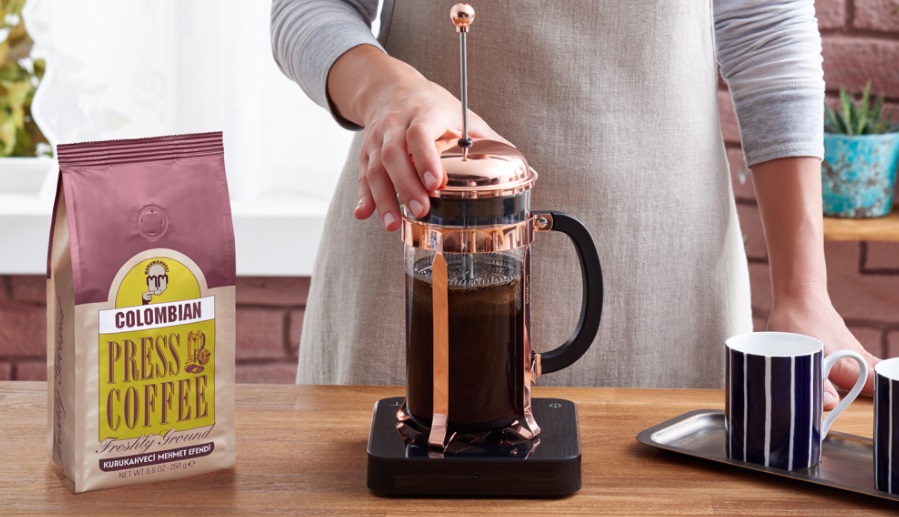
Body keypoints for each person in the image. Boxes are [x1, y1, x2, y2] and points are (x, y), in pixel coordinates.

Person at [270, 0, 880, 408]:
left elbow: (766, 27)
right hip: (414, 284)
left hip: (666, 295)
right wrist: (387, 92)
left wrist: (804, 295)